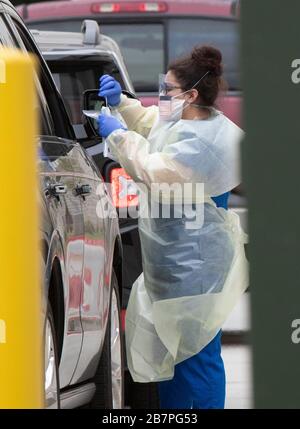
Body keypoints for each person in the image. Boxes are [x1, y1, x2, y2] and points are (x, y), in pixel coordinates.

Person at [97, 45, 248, 409]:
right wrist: (125, 106)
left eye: (168, 90)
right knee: (175, 360)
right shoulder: (186, 123)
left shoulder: (209, 140)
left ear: (192, 94)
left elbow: (155, 170)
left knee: (196, 358)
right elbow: (155, 127)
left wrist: (118, 136)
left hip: (197, 270)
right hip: (175, 266)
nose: (161, 97)